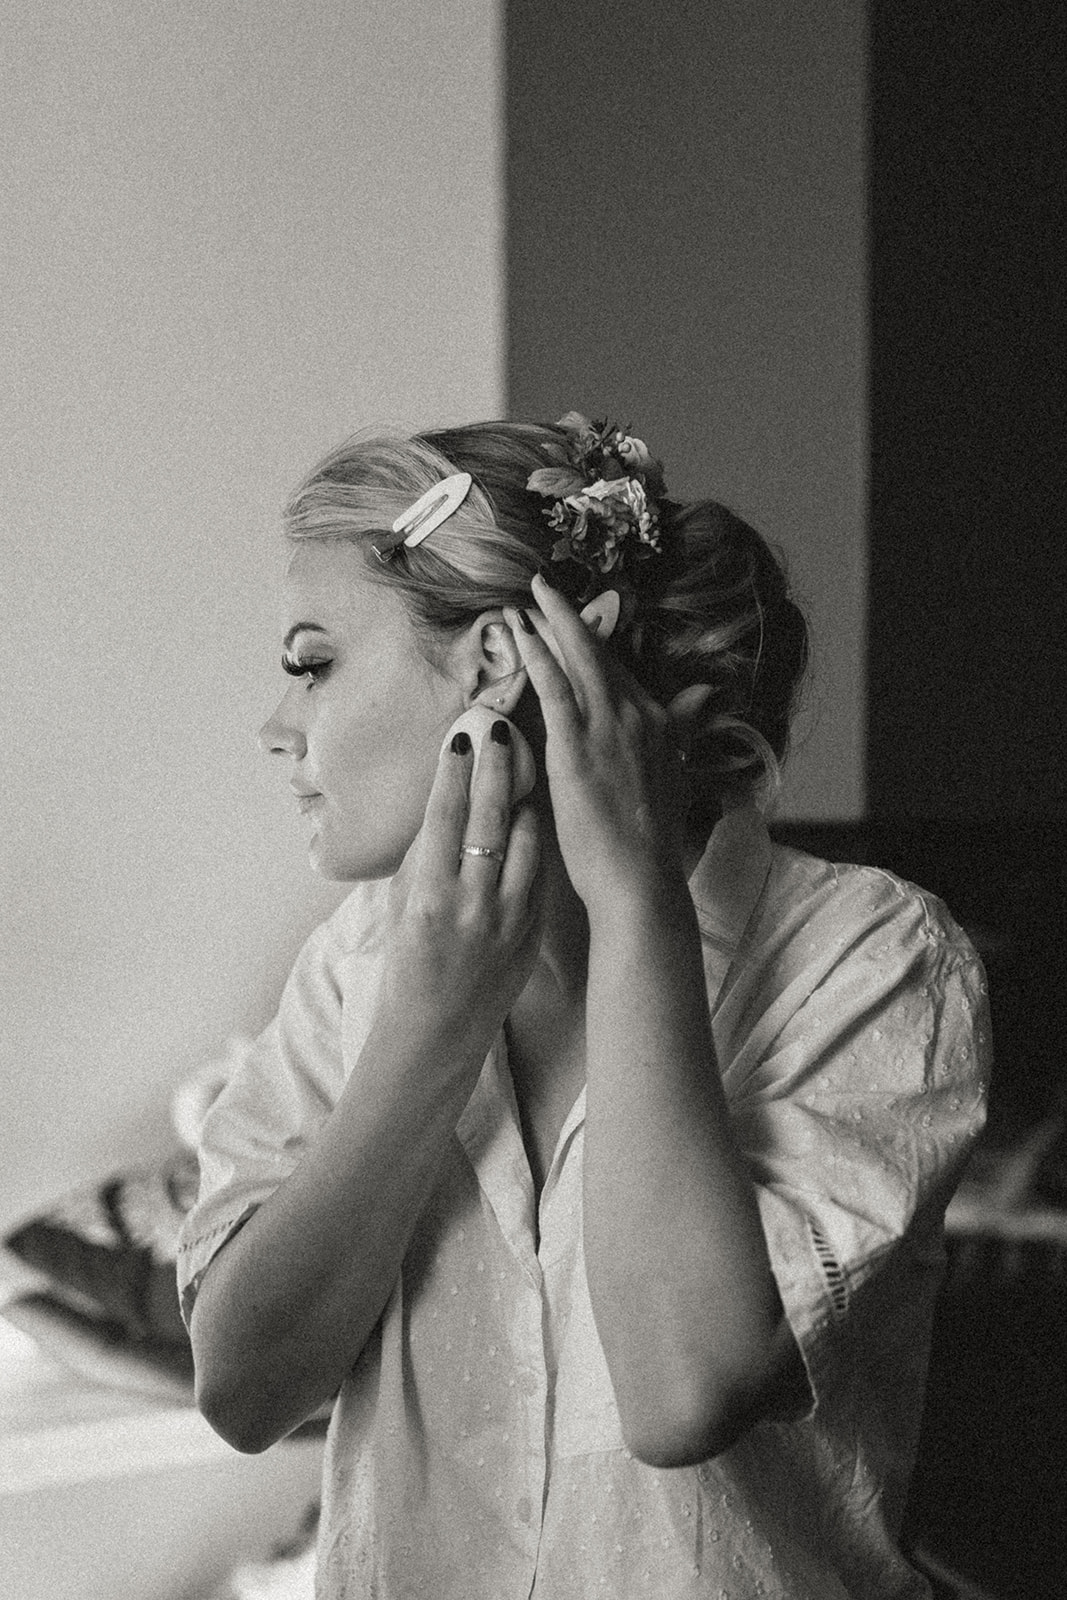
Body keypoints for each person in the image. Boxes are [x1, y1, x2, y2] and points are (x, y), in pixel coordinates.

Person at [178, 414, 990, 1598]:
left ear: (497, 657)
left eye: (314, 662)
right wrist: (427, 1032)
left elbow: (680, 1390)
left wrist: (637, 907)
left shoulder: (872, 960)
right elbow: (245, 1392)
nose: (277, 726)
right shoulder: (356, 968)